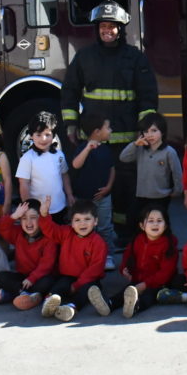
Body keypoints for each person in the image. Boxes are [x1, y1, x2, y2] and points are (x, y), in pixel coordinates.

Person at [61, 0, 158, 235]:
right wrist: (71, 125)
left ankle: (124, 233)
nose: (107, 30)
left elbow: (148, 95)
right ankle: (92, 234)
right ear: (97, 29)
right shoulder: (84, 57)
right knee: (93, 189)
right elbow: (70, 91)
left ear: (120, 29)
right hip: (93, 142)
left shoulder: (135, 58)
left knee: (125, 189)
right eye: (103, 26)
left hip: (126, 139)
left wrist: (145, 128)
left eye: (112, 26)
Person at [98, 205, 179, 318]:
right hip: (138, 280)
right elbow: (127, 257)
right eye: (150, 221)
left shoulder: (168, 245)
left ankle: (134, 307)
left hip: (159, 283)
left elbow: (166, 273)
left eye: (159, 221)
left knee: (148, 296)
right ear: (142, 225)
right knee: (124, 292)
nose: (155, 224)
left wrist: (145, 285)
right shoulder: (137, 240)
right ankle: (108, 304)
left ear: (165, 226)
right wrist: (124, 269)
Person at [37, 198, 109, 321]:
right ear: (71, 223)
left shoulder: (99, 242)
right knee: (59, 286)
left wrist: (77, 285)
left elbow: (95, 269)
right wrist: (44, 215)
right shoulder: (66, 233)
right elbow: (51, 230)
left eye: (87, 219)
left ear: (95, 221)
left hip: (89, 279)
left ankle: (71, 308)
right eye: (77, 220)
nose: (82, 224)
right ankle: (49, 303)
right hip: (67, 276)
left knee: (88, 291)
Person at [70, 111, 118, 268]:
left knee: (105, 227)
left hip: (103, 198)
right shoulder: (83, 148)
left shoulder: (106, 149)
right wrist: (88, 149)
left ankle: (108, 256)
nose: (110, 130)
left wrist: (109, 187)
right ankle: (85, 256)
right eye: (108, 127)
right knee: (85, 229)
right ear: (97, 132)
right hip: (84, 199)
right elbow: (76, 164)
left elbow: (112, 169)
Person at [119, 112, 183, 226]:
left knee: (160, 223)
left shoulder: (169, 152)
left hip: (161, 197)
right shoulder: (140, 149)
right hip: (142, 196)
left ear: (162, 132)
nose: (150, 135)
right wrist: (135, 144)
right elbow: (123, 157)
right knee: (140, 223)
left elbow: (177, 173)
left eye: (154, 131)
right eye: (146, 131)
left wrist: (177, 190)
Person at [0, 199, 59, 310]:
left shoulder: (48, 238)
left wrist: (32, 278)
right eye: (24, 218)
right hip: (23, 278)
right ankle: (26, 295)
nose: (28, 222)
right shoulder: (18, 233)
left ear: (41, 218)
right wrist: (13, 216)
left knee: (48, 282)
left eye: (33, 218)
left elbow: (46, 265)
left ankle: (17, 295)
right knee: (1, 277)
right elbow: (1, 228)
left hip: (39, 277)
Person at [16, 111, 73, 224]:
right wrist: (28, 207)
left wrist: (70, 195)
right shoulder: (27, 158)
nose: (43, 139)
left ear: (54, 135)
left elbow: (64, 175)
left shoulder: (59, 155)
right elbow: (24, 184)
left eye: (47, 134)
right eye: (38, 135)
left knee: (58, 236)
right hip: (39, 210)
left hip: (59, 207)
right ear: (31, 136)